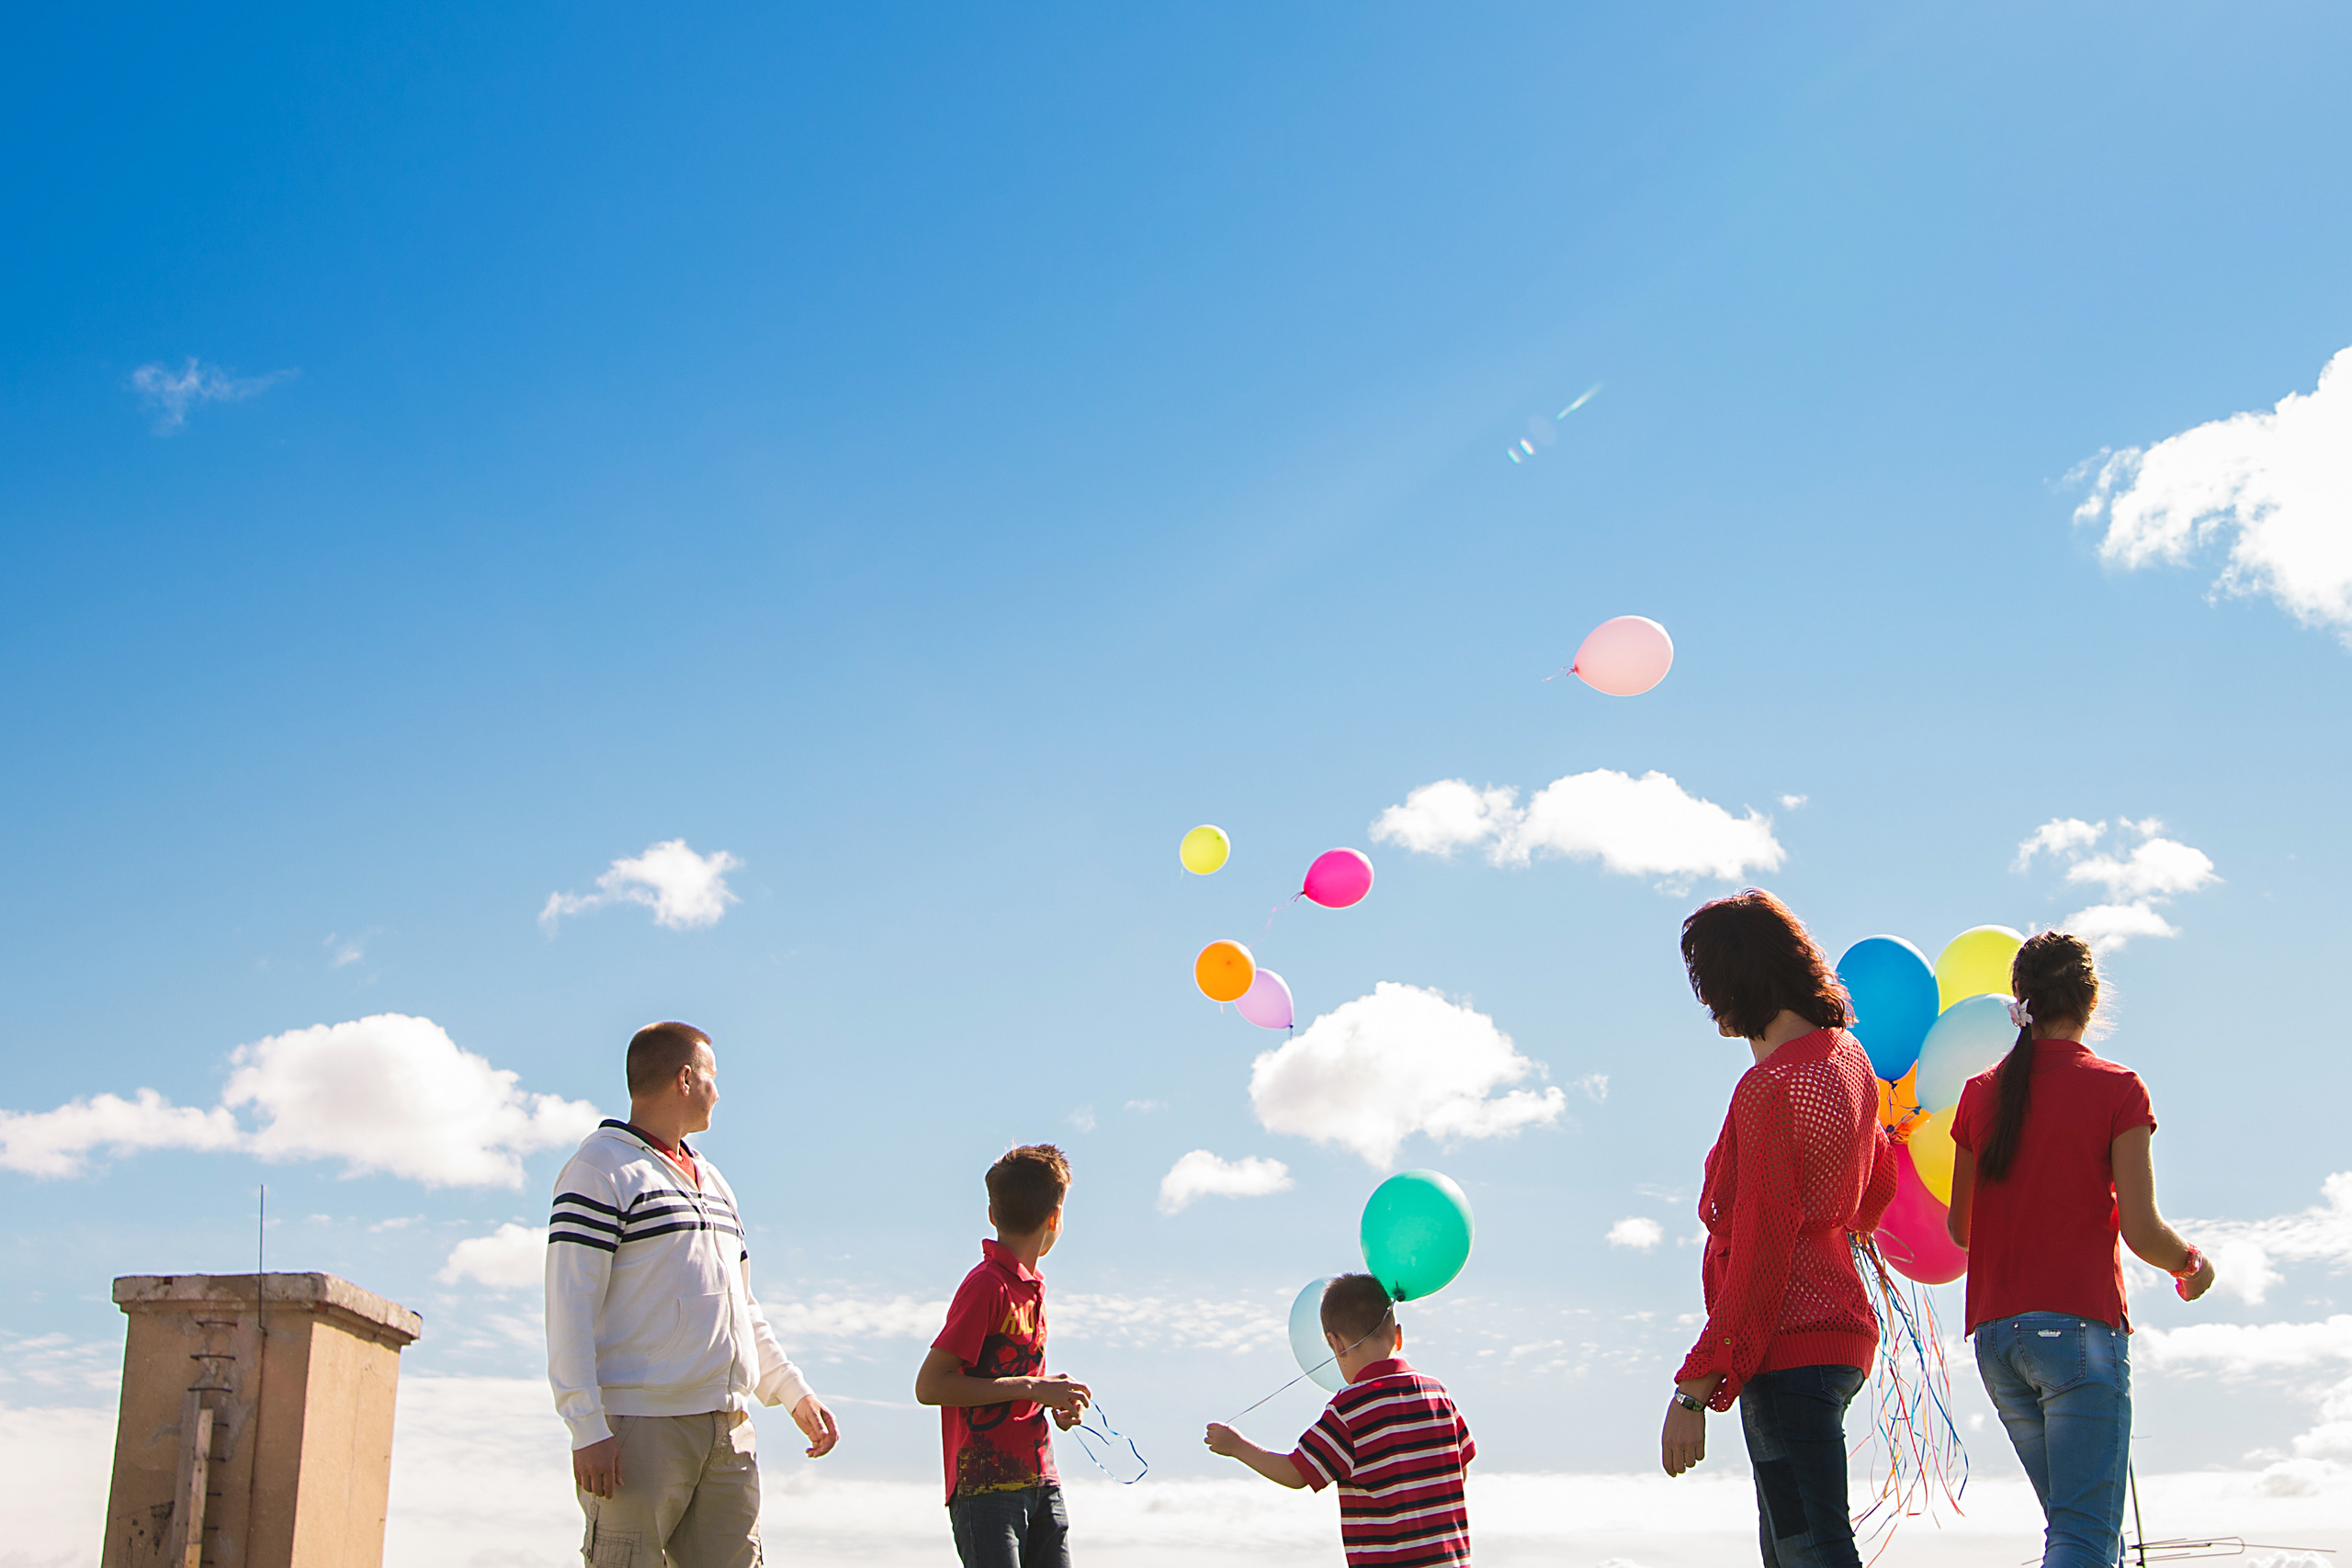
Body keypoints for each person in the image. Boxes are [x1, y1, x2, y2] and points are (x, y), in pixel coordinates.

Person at [1947, 931, 2215, 1568]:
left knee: (2082, 1533)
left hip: (1996, 1341)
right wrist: (2192, 1265)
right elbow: (2143, 1231)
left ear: (2022, 1001)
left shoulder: (1978, 1094)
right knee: (2084, 1538)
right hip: (2077, 1336)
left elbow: (1963, 1229)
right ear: (2091, 999)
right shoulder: (2116, 1087)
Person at [545, 1021, 840, 1568]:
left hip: (729, 1429)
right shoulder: (599, 1169)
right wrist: (585, 1425)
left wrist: (792, 1391)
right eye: (711, 1076)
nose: (718, 1091)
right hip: (638, 1430)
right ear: (685, 1078)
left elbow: (740, 1307)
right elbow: (569, 1307)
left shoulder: (718, 1184)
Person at [1664, 889, 1901, 1568]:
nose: (1710, 1007)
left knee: (1812, 1551)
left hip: (1788, 1346)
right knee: (1802, 1547)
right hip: (1842, 1336)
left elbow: (1762, 1258)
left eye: (1710, 986)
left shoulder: (1770, 1089)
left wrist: (1694, 1387)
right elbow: (1876, 1186)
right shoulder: (1849, 1058)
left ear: (1737, 982)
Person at [1204, 1274, 1475, 1568]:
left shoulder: (1349, 1411)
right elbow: (1461, 1467)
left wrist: (1237, 1446)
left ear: (1335, 1344)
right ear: (1398, 1336)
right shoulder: (1438, 1395)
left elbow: (1297, 1473)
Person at [915, 1144, 1091, 1568]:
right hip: (986, 1488)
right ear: (1055, 1219)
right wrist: (1032, 1386)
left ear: (992, 1214)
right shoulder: (986, 1286)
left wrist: (1051, 1400)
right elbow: (930, 1384)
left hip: (1041, 1480)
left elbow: (1009, 1385)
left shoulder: (1030, 1289)